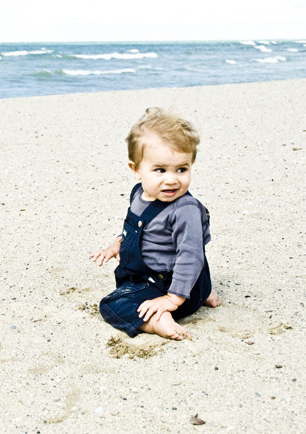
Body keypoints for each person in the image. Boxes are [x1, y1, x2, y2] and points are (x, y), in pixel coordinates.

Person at [90, 107, 221, 340]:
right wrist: (117, 244)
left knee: (111, 304)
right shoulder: (139, 194)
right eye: (160, 170)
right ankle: (202, 292)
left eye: (181, 169)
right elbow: (139, 231)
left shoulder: (185, 209)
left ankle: (156, 320)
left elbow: (191, 255)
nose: (171, 179)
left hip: (170, 286)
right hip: (171, 281)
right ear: (136, 170)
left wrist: (172, 299)